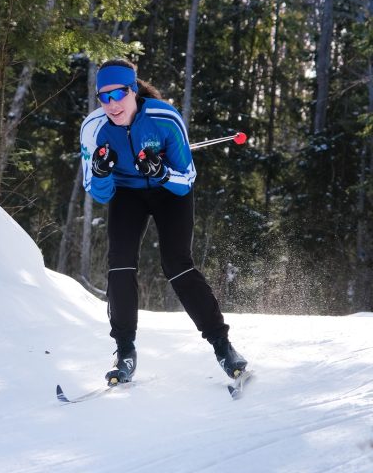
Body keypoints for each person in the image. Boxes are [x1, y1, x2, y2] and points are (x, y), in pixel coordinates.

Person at [79, 58, 247, 385]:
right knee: (120, 262)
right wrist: (101, 173)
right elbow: (97, 192)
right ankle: (124, 350)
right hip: (127, 192)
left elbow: (187, 178)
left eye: (119, 94)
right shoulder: (93, 129)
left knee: (177, 264)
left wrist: (161, 172)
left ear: (133, 90)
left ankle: (223, 347)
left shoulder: (164, 118)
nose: (112, 104)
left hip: (171, 193)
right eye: (104, 96)